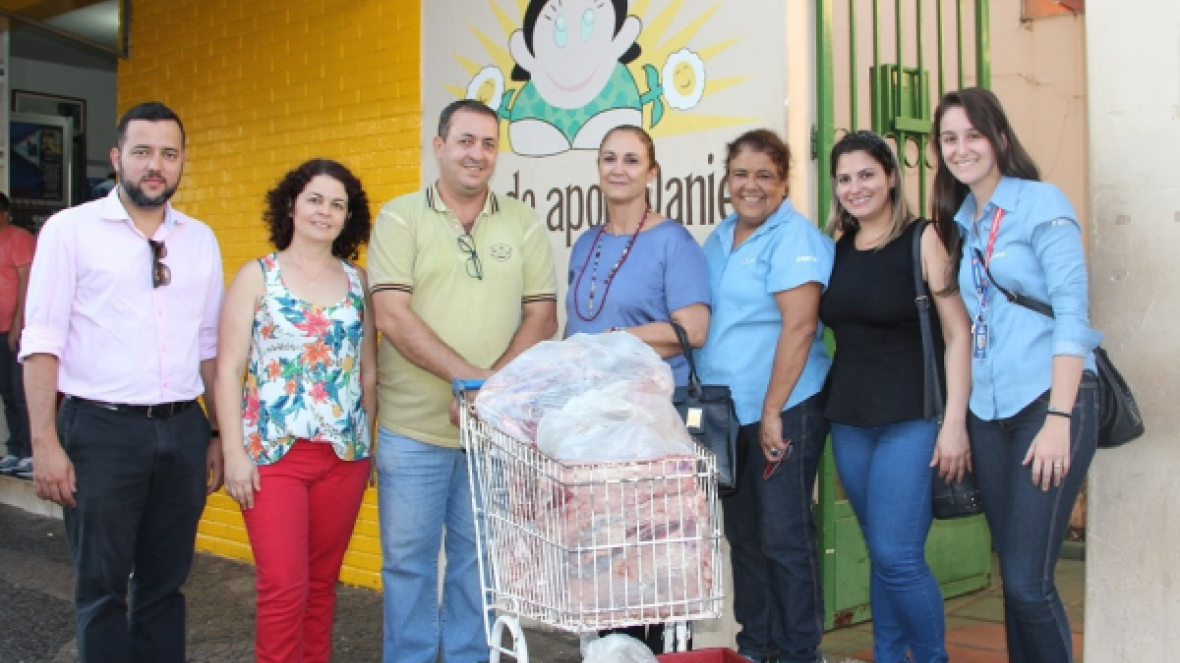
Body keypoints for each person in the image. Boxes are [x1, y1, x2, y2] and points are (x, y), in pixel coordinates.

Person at [20, 101, 225, 663]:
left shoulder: (201, 240)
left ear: (182, 162)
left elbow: (211, 350)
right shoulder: (69, 231)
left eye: (167, 153)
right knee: (102, 589)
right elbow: (41, 343)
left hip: (183, 430)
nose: (154, 165)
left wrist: (217, 435)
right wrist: (44, 443)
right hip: (100, 434)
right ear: (116, 159)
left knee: (165, 586)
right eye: (141, 152)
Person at [368, 98, 558, 663]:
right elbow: (392, 317)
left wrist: (486, 393)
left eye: (488, 144)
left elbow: (543, 315)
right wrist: (473, 383)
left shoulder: (520, 220)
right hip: (412, 433)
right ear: (440, 147)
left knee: (479, 564)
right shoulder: (401, 217)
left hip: (491, 434)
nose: (477, 154)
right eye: (466, 141)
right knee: (408, 564)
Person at [931, 87, 1101, 663]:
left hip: (1048, 402)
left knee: (1030, 581)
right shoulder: (965, 222)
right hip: (989, 413)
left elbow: (1072, 314)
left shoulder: (1040, 203)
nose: (961, 148)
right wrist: (960, 420)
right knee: (1016, 579)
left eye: (973, 135)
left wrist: (1059, 418)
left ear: (1000, 138)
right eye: (949, 139)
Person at [818, 131, 972, 663]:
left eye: (866, 174)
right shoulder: (834, 249)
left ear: (889, 177)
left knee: (897, 555)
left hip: (913, 417)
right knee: (883, 556)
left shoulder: (922, 238)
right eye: (844, 178)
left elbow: (959, 334)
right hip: (852, 420)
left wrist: (953, 424)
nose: (855, 187)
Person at [214, 159, 376, 663]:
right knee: (284, 590)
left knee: (322, 587)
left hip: (343, 459)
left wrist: (367, 444)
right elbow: (228, 370)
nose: (325, 212)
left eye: (337, 204)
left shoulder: (359, 283)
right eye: (314, 199)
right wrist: (235, 454)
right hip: (272, 459)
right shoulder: (256, 277)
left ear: (348, 217)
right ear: (290, 205)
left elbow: (368, 373)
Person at [565, 124, 711, 652]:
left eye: (631, 160)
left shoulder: (673, 241)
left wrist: (615, 340)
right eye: (609, 159)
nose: (618, 169)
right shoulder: (586, 243)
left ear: (652, 173)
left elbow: (692, 330)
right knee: (603, 560)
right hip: (593, 430)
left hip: (649, 429)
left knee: (651, 562)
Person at [697, 129, 834, 663]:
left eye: (763, 175)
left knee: (784, 535)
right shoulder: (719, 237)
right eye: (740, 174)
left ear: (782, 182)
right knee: (745, 537)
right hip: (725, 414)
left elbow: (799, 329)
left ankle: (800, 651)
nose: (750, 186)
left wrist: (774, 411)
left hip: (784, 410)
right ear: (727, 179)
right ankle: (756, 645)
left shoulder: (793, 237)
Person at [0, 192, 35, 478]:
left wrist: (17, 326)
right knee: (7, 393)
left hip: (17, 329)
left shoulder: (19, 238)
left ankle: (30, 452)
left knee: (20, 389)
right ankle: (15, 449)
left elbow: (27, 285)